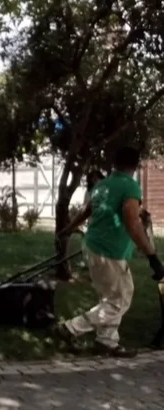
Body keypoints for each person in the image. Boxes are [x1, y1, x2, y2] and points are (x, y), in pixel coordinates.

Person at [56, 146, 164, 357]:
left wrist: (68, 229)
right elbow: (132, 223)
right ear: (136, 164)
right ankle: (70, 328)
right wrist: (152, 257)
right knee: (120, 299)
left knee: (112, 296)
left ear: (115, 163)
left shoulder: (102, 184)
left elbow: (87, 210)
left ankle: (106, 341)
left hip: (93, 246)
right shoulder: (130, 187)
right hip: (109, 251)